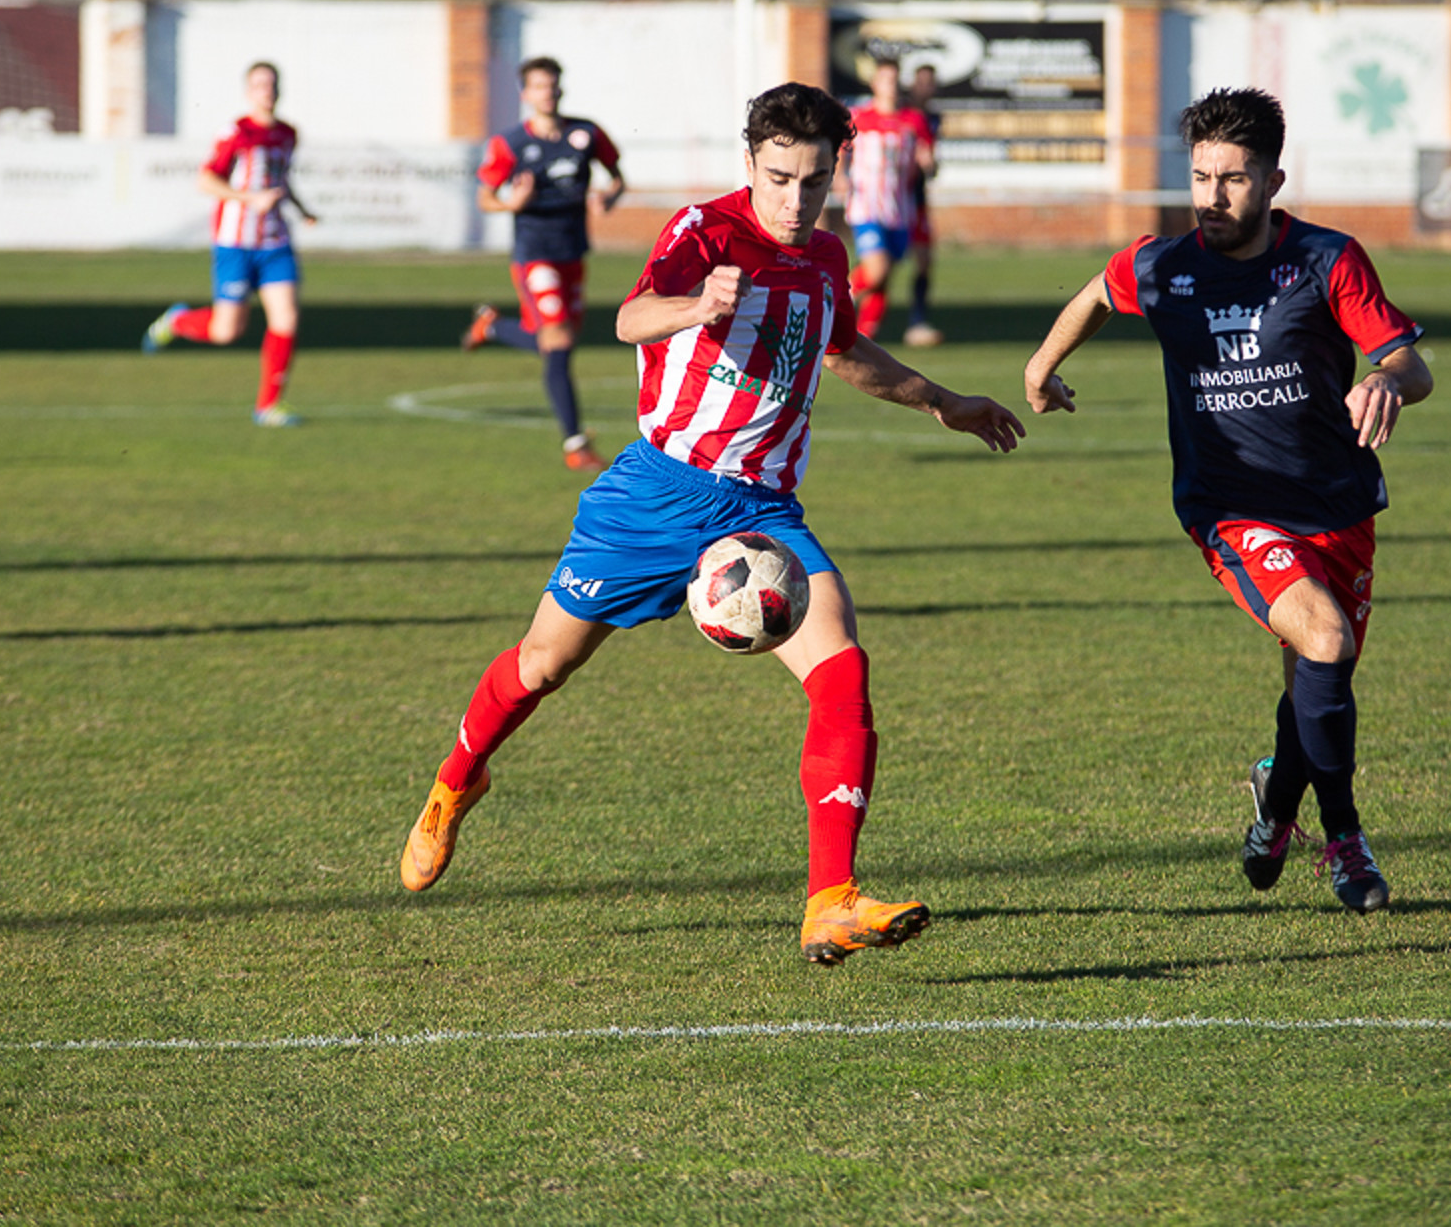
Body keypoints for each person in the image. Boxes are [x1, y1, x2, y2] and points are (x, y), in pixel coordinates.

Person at [399, 82, 1028, 965]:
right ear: (750, 164)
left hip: (762, 512)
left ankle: (831, 899)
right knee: (543, 664)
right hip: (657, 493)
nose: (793, 199)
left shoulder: (826, 257)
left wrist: (944, 403)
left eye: (812, 181)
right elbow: (629, 318)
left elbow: (843, 350)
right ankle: (455, 784)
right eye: (777, 178)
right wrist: (697, 307)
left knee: (843, 667)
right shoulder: (704, 232)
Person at [1023, 87, 1432, 913]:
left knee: (1321, 672)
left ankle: (1278, 800)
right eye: (1201, 176)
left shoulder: (1327, 260)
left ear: (1274, 180)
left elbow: (1409, 363)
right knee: (1323, 638)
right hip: (1230, 506)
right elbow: (1100, 292)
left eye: (1234, 179)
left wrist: (1386, 380)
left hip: (1338, 502)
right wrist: (1041, 365)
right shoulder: (1165, 267)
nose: (1212, 197)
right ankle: (1347, 843)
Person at [462, 57, 627, 473]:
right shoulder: (511, 144)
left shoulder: (585, 134)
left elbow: (617, 177)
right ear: (525, 95)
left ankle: (494, 326)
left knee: (560, 340)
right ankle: (575, 443)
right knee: (558, 342)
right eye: (538, 86)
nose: (547, 93)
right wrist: (509, 203)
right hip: (534, 253)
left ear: (560, 89)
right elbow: (484, 197)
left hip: (573, 252)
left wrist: (609, 197)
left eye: (552, 85)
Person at [140, 61, 318, 428]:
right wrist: (248, 199)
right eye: (259, 85)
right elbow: (206, 181)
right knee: (226, 331)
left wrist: (302, 209)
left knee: (286, 318)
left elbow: (281, 180)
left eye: (271, 84)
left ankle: (268, 406)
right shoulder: (236, 132)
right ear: (248, 91)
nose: (266, 91)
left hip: (275, 243)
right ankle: (179, 319)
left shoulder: (288, 133)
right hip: (235, 244)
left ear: (279, 90)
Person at [839, 56, 936, 345]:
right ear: (874, 83)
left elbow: (930, 164)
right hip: (867, 206)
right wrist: (840, 177)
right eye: (885, 80)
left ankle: (863, 338)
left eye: (894, 80)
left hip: (899, 208)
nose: (890, 86)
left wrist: (928, 162)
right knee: (876, 268)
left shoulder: (913, 120)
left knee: (883, 279)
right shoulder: (858, 117)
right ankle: (832, 298)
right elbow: (840, 152)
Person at [902, 62, 945, 348]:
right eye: (921, 82)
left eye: (930, 83)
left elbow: (931, 165)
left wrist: (929, 165)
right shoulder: (902, 114)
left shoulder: (933, 118)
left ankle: (917, 319)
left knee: (924, 260)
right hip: (893, 199)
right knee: (881, 265)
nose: (925, 88)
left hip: (917, 200)